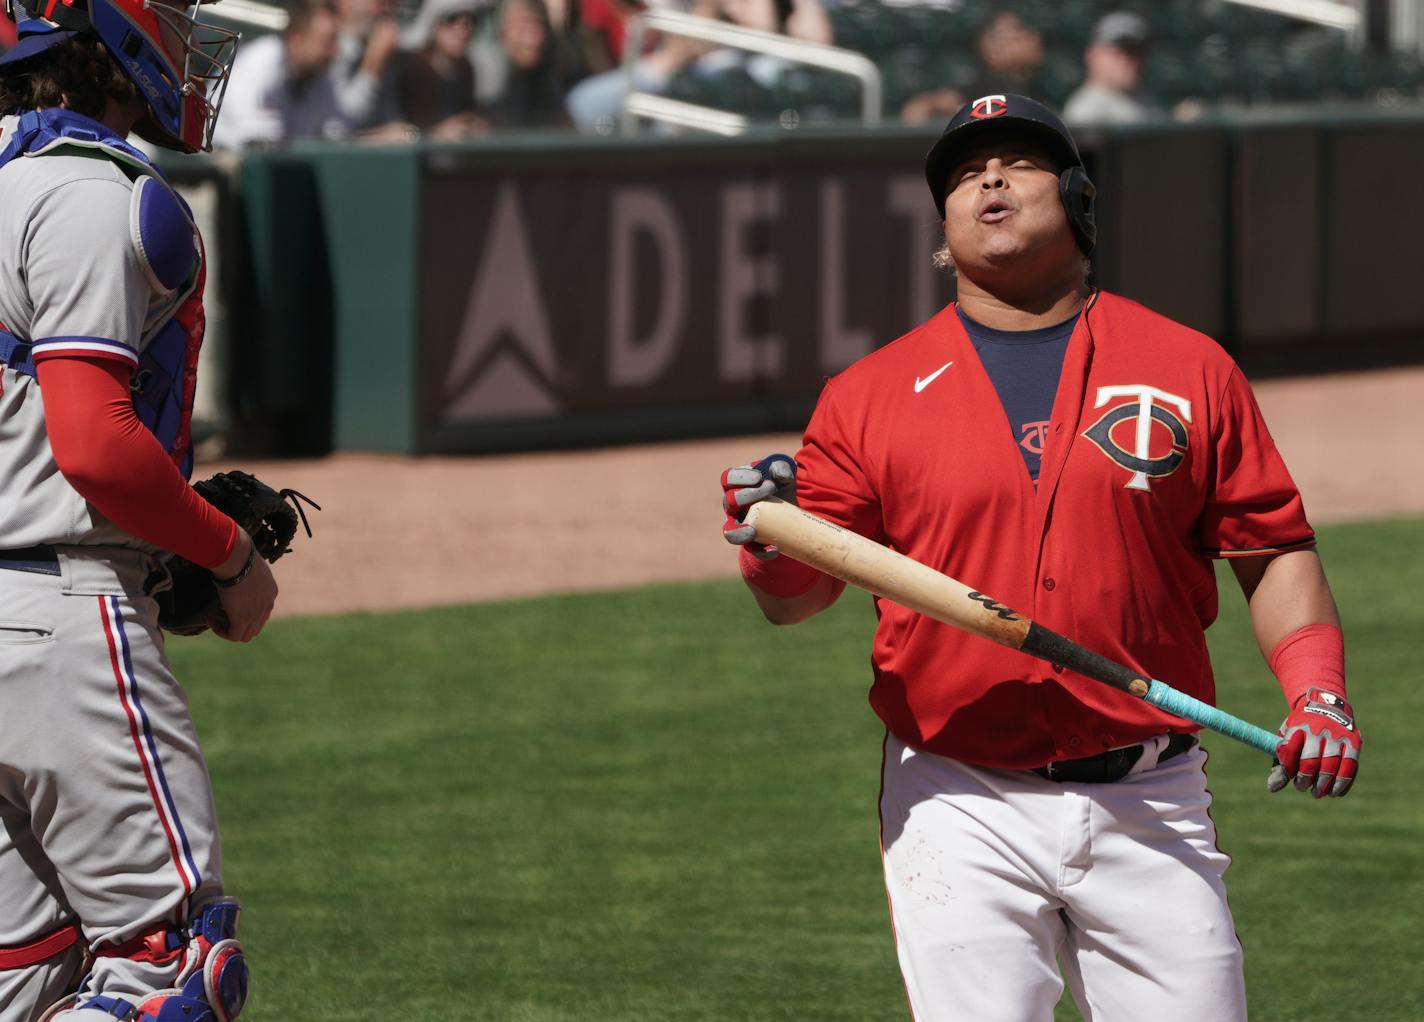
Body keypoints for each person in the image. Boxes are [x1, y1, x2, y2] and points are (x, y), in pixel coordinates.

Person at [719, 93, 1361, 1022]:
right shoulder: (868, 394)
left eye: (1019, 161)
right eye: (965, 174)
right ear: (942, 227)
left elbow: (1270, 550)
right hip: (956, 798)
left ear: (1076, 196)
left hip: (1154, 797)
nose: (989, 178)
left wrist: (1319, 691)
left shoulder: (1188, 366)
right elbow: (794, 597)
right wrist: (772, 536)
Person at [0, 1, 275, 1019]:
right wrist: (230, 554)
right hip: (59, 625)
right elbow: (96, 446)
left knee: (27, 983)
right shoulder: (89, 190)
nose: (176, 33)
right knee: (171, 975)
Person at [211, 0, 349, 148]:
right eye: (327, 42)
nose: (335, 52)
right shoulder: (260, 61)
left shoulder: (321, 79)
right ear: (296, 38)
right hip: (210, 162)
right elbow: (257, 140)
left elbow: (339, 133)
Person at [396, 0, 488, 137]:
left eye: (471, 20)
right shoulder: (410, 70)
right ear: (433, 23)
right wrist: (434, 133)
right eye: (452, 19)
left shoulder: (466, 69)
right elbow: (395, 131)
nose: (463, 29)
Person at [1063, 11, 1167, 126]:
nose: (1129, 61)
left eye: (1136, 53)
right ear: (1092, 55)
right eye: (1119, 53)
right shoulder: (1087, 110)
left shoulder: (1145, 100)